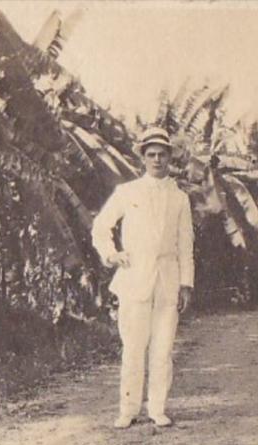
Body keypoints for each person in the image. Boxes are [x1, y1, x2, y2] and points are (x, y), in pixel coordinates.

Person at [92, 126, 195, 429]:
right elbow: (100, 226)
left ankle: (158, 408)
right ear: (143, 158)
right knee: (134, 348)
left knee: (162, 349)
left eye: (162, 154)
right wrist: (112, 255)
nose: (157, 159)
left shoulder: (180, 198)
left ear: (169, 158)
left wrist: (186, 283)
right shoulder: (128, 192)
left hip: (168, 280)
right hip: (135, 277)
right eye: (151, 154)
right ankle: (128, 409)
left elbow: (185, 243)